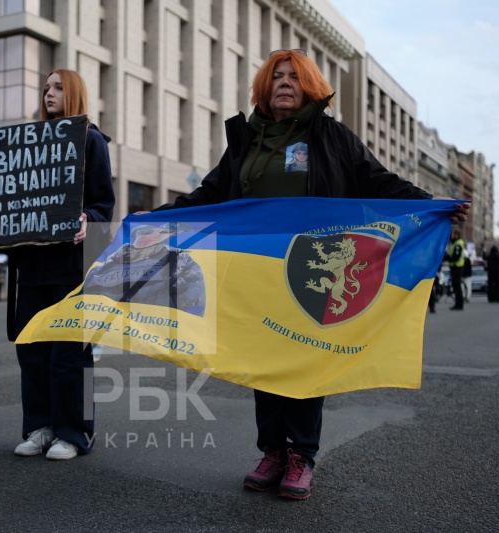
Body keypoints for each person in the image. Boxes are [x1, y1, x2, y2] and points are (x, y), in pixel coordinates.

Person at [151, 49, 469, 500]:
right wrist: (157, 217)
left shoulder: (330, 136)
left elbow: (378, 180)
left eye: (295, 77)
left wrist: (430, 203)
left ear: (310, 87)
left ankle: (301, 455)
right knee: (262, 362)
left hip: (310, 268)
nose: (285, 83)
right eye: (277, 76)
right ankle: (272, 452)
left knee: (303, 360)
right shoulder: (246, 139)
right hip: (256, 274)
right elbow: (210, 194)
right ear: (264, 85)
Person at [4, 69, 115, 460]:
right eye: (46, 87)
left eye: (58, 87)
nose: (49, 93)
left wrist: (90, 218)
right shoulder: (26, 145)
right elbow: (12, 196)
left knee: (70, 354)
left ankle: (76, 432)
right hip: (32, 265)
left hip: (71, 266)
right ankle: (40, 426)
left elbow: (104, 203)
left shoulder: (91, 140)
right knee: (32, 350)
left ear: (74, 94)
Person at [81, 222, 206, 316]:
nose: (154, 235)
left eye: (163, 232)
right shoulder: (103, 267)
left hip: (156, 339)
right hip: (111, 338)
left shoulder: (180, 261)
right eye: (146, 231)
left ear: (171, 235)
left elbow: (193, 307)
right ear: (135, 235)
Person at [444, 229, 465, 310]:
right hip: (455, 267)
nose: (452, 236)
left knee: (457, 286)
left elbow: (455, 257)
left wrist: (447, 257)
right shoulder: (456, 243)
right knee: (456, 286)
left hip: (457, 267)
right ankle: (458, 303)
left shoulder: (457, 244)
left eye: (453, 235)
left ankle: (459, 304)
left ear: (456, 235)